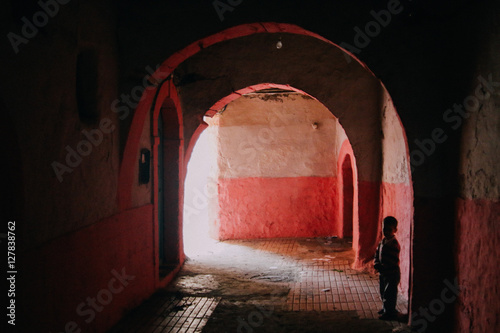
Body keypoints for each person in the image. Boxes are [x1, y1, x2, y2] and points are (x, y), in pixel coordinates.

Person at [374, 216, 401, 320]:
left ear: (395, 230)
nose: (386, 232)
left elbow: (393, 261)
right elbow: (377, 253)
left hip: (392, 273)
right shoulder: (383, 241)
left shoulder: (394, 244)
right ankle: (386, 308)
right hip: (384, 272)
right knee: (383, 291)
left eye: (390, 230)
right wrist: (376, 263)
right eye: (385, 229)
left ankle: (390, 312)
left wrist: (384, 268)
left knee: (390, 293)